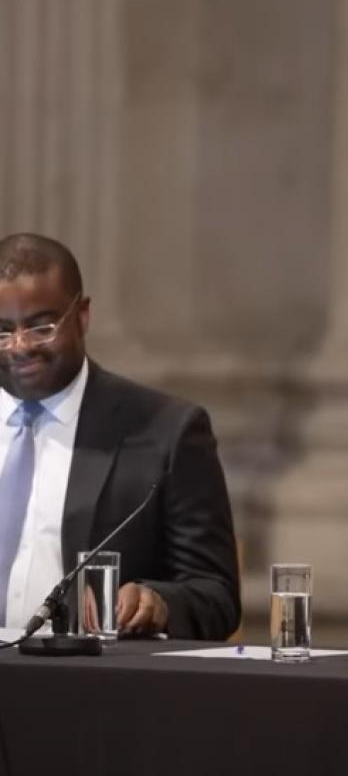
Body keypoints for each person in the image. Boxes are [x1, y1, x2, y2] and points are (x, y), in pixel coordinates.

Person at [0, 233, 240, 640]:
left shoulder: (168, 430)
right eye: (2, 331)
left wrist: (159, 602)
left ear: (83, 316)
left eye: (42, 326)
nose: (20, 346)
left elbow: (216, 596)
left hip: (94, 688)